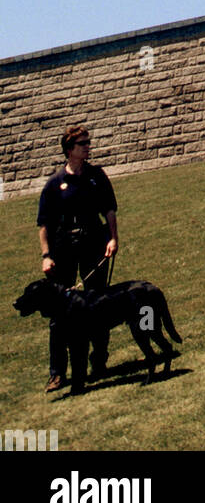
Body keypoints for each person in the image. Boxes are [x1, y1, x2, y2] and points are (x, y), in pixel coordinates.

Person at [37, 124, 119, 391]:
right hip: (64, 248)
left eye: (88, 142)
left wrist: (112, 238)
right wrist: (46, 255)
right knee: (60, 313)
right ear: (69, 150)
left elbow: (109, 210)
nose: (88, 146)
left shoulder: (96, 176)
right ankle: (57, 373)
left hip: (93, 242)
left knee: (98, 304)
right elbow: (44, 224)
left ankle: (98, 361)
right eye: (82, 143)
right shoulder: (54, 184)